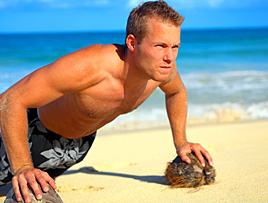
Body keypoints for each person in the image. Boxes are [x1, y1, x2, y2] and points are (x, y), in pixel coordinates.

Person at [0, 0, 213, 202]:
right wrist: (22, 167)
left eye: (175, 47)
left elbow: (176, 92)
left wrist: (181, 142)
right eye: (160, 46)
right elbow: (11, 99)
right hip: (29, 131)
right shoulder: (90, 67)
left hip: (74, 149)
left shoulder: (162, 70)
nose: (170, 57)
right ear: (132, 42)